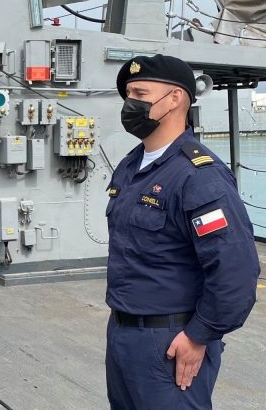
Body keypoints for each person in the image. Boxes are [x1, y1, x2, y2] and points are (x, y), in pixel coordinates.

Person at [106, 54, 260, 409]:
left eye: (140, 92)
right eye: (128, 93)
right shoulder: (131, 166)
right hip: (123, 334)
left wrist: (200, 335)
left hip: (171, 342)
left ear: (175, 98)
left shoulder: (198, 175)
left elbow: (236, 270)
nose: (131, 103)